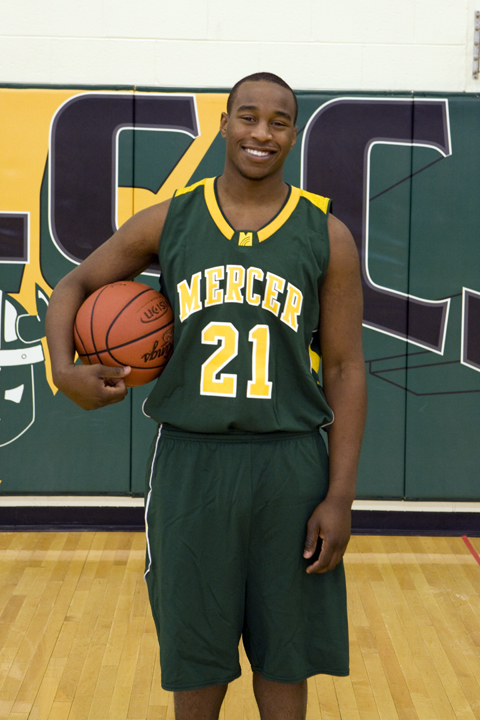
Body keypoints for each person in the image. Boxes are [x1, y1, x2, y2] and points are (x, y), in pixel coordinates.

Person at [46, 72, 366, 720]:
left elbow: (344, 367)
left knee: (285, 657)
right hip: (191, 461)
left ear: (294, 135)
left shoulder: (325, 234)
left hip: (290, 463)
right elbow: (73, 285)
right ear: (224, 124)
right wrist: (61, 368)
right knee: (195, 655)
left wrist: (340, 496)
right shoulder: (172, 219)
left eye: (278, 121)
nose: (261, 132)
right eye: (247, 116)